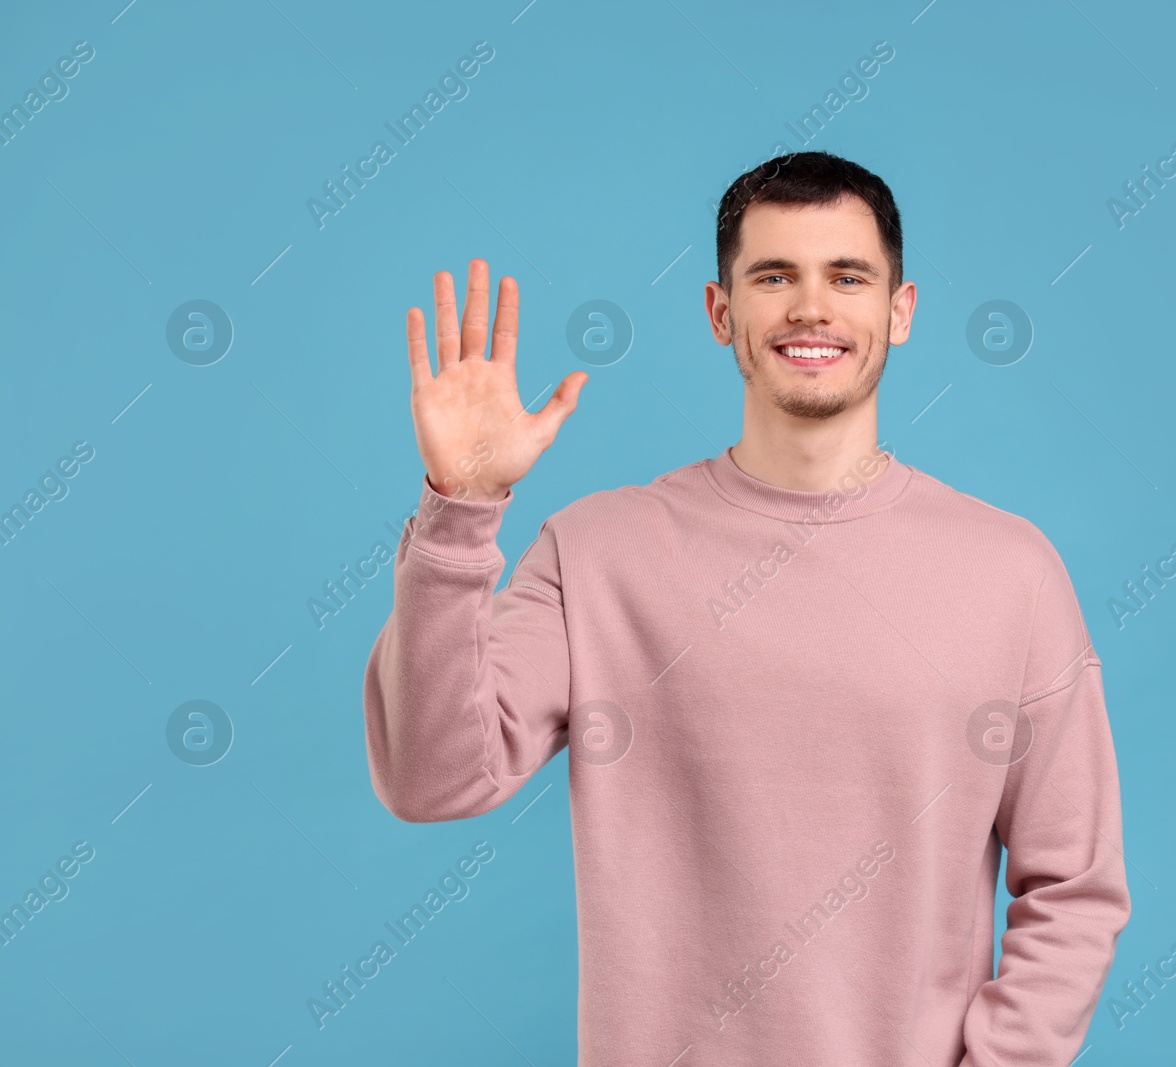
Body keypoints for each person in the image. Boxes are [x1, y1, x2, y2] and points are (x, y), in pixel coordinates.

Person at [364, 150, 1130, 1065]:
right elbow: (431, 778)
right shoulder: (598, 550)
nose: (812, 307)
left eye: (848, 276)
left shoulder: (1013, 572)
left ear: (901, 309)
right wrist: (459, 508)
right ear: (721, 312)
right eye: (775, 276)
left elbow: (1075, 887)